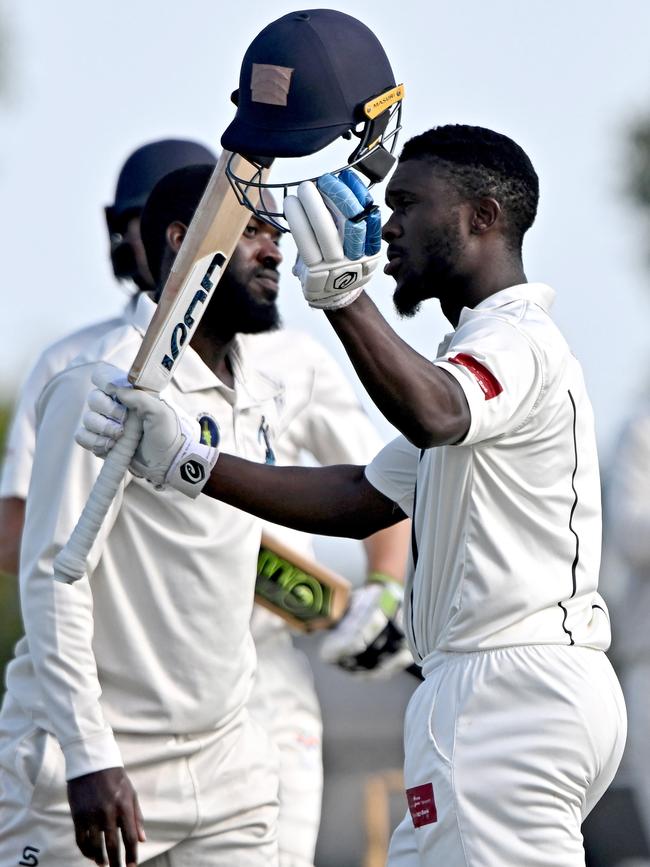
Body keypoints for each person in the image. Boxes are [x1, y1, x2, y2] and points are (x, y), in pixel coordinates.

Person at [81, 124, 628, 866]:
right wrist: (190, 460)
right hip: (520, 689)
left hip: (505, 690)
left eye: (407, 203)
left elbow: (434, 410)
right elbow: (360, 493)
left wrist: (342, 293)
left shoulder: (512, 341)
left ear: (481, 218)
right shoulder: (478, 367)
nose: (387, 223)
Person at [0, 164, 285, 867]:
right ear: (181, 240)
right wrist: (89, 755)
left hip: (229, 770)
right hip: (92, 766)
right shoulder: (102, 382)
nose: (274, 248)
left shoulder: (263, 388)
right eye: (250, 230)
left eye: (275, 231)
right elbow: (51, 576)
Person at [0, 137, 217, 576]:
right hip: (114, 634)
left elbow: (372, 489)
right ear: (122, 235)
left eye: (195, 222)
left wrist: (381, 585)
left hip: (266, 640)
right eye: (153, 219)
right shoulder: (73, 362)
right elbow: (11, 542)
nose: (175, 239)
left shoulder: (290, 358)